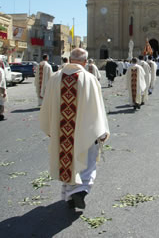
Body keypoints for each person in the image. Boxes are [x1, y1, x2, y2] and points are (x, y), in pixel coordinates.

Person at [39, 48, 110, 210]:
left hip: (62, 132)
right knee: (87, 162)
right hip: (86, 132)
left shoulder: (55, 78)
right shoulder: (90, 79)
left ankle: (70, 196)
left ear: (70, 60)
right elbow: (97, 108)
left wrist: (52, 128)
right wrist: (102, 130)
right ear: (85, 62)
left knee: (67, 161)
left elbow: (47, 106)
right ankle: (80, 190)